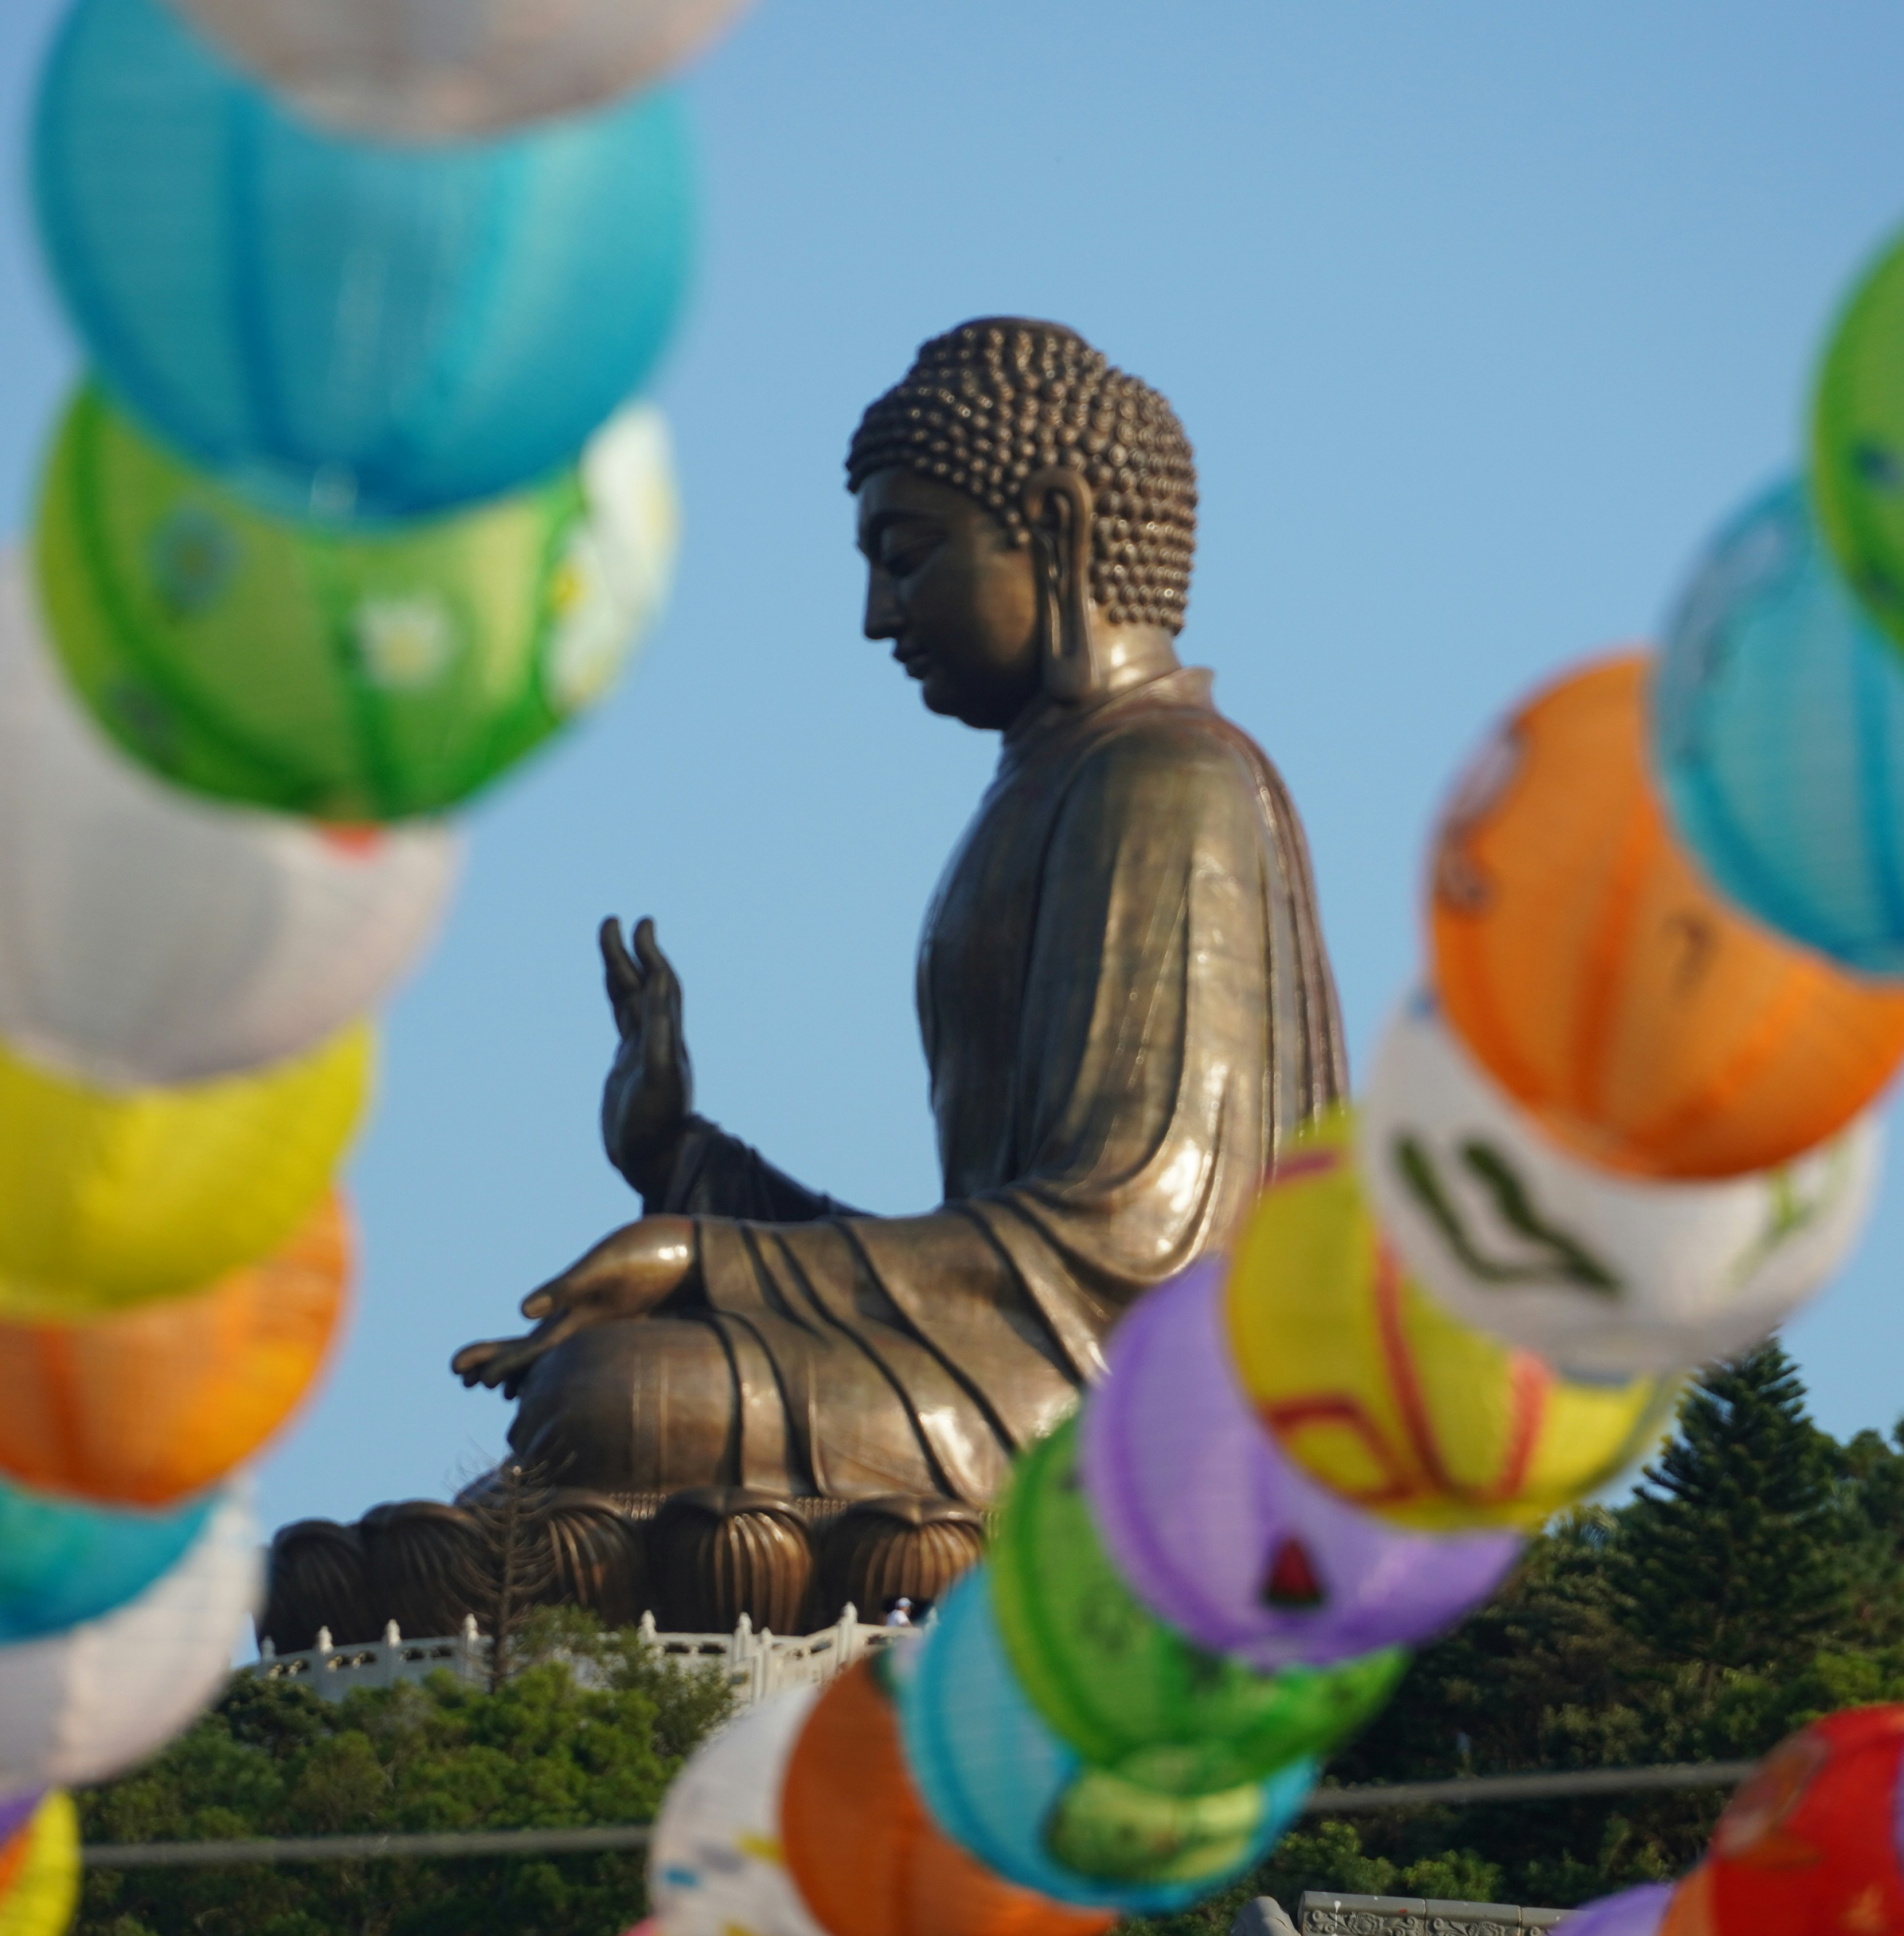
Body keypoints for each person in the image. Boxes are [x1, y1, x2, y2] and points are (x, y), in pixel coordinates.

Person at [450, 318, 1344, 1504]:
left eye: (910, 553)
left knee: (616, 1400)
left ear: (1061, 529)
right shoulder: (1040, 789)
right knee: (587, 1414)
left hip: (1140, 1412)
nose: (879, 613)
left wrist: (711, 1258)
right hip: (1013, 1360)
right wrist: (688, 1164)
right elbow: (982, 1255)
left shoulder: (1169, 779)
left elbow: (1123, 1249)